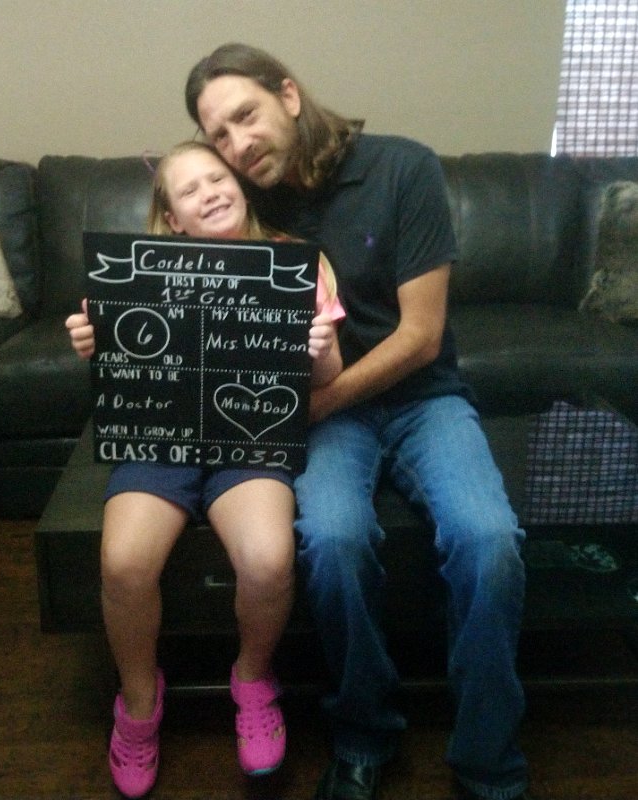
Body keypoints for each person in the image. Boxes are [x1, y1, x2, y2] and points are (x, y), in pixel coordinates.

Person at [184, 44, 533, 800]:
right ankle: (363, 733)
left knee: (489, 540)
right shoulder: (245, 205)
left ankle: (488, 759)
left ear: (288, 95)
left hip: (421, 397)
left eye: (245, 115)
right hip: (329, 414)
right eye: (219, 135)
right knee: (332, 540)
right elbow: (179, 275)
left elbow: (421, 338)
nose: (238, 144)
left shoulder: (404, 168)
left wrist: (311, 407)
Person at [66, 140, 345, 799]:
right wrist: (92, 345)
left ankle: (252, 679)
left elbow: (327, 380)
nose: (210, 193)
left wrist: (323, 348)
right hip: (157, 440)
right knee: (123, 564)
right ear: (172, 218)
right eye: (189, 190)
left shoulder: (296, 264)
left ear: (241, 185)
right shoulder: (136, 270)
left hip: (251, 438)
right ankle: (139, 702)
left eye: (217, 178)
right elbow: (120, 367)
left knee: (268, 561)